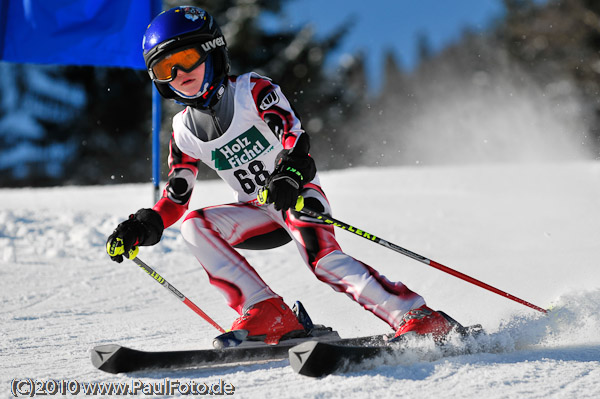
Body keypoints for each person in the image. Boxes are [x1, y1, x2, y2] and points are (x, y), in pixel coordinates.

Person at [106, 6, 454, 344]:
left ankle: (417, 316)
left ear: (212, 52)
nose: (180, 72)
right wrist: (143, 225)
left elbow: (295, 136)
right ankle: (266, 311)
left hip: (295, 193)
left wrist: (287, 174)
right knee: (194, 225)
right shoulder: (183, 131)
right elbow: (176, 197)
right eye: (167, 67)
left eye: (188, 58)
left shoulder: (252, 90)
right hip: (258, 212)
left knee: (323, 261)